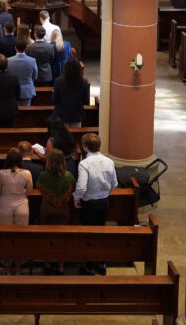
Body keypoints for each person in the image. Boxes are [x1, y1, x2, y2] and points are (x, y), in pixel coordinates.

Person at [74, 133, 118, 274]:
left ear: (85, 147)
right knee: (100, 233)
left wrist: (76, 198)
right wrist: (106, 193)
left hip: (89, 205)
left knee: (89, 235)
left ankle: (90, 266)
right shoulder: (109, 161)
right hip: (103, 202)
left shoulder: (84, 164)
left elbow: (81, 186)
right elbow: (115, 183)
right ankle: (101, 263)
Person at [37, 147, 75, 274]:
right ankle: (60, 266)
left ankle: (47, 263)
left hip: (47, 209)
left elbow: (40, 189)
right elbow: (72, 189)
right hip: (63, 210)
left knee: (46, 237)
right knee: (62, 238)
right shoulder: (68, 176)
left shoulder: (43, 175)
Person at [0, 147, 32, 273]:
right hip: (21, 204)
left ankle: (6, 266)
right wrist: (20, 195)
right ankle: (18, 266)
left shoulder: (1, 173)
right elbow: (29, 190)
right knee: (21, 236)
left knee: (5, 236)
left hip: (4, 204)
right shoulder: (27, 173)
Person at [53, 58, 89, 128]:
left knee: (63, 137)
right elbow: (86, 101)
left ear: (65, 68)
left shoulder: (58, 81)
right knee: (75, 136)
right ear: (79, 69)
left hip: (61, 115)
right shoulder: (84, 82)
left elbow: (55, 99)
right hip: (77, 115)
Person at [7, 40, 38, 106]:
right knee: (26, 113)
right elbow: (35, 76)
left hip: (13, 90)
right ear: (25, 48)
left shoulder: (8, 61)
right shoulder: (32, 60)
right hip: (27, 90)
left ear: (15, 48)